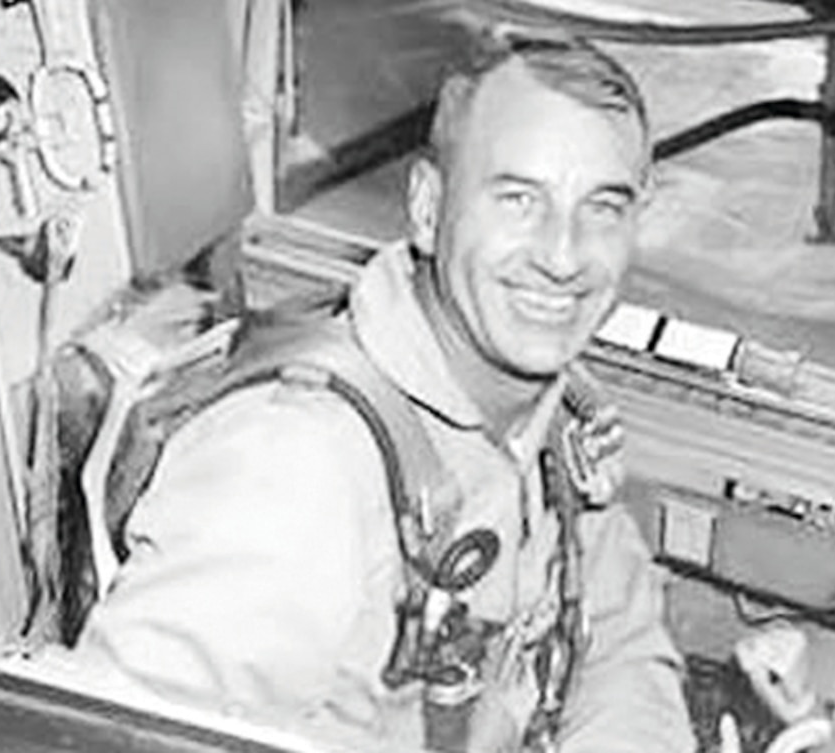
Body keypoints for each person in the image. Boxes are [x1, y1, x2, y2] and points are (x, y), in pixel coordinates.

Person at [67, 31, 695, 753]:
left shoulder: (543, 414)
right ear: (427, 208)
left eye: (603, 208)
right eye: (519, 198)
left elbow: (616, 640)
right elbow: (107, 742)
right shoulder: (296, 466)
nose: (563, 255)